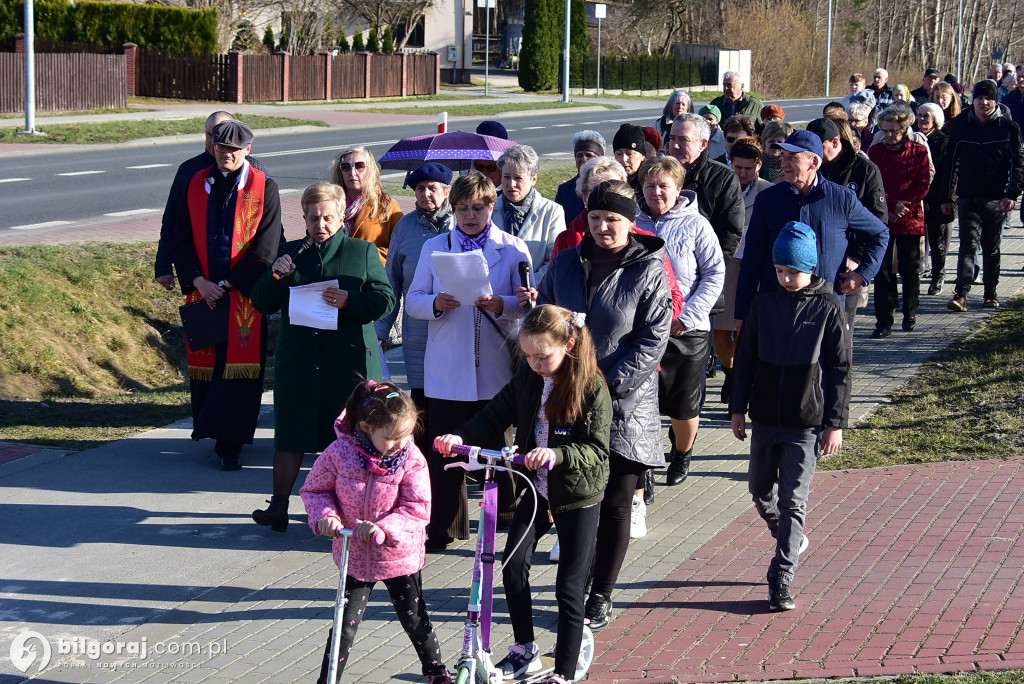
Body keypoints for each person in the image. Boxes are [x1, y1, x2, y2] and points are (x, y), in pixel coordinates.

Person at [434, 305, 611, 684]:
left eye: (542, 356)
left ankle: (563, 670)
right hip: (538, 489)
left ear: (569, 344)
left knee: (569, 586)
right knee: (513, 566)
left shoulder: (592, 386)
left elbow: (598, 449)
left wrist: (557, 454)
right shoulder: (529, 379)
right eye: (528, 355)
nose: (534, 363)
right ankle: (525, 648)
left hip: (578, 494)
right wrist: (460, 436)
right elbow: (495, 415)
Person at [531, 179, 672, 631]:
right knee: (576, 496)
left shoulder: (648, 267)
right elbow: (548, 319)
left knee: (614, 502)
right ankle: (577, 581)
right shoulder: (567, 262)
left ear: (631, 223)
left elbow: (652, 340)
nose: (603, 227)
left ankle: (602, 593)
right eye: (595, 218)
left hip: (626, 402)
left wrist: (605, 387)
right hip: (569, 399)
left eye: (612, 219)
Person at [250, 181, 395, 530]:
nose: (321, 225)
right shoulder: (289, 253)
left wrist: (349, 301)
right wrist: (275, 276)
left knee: (351, 439)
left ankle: (351, 510)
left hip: (346, 364)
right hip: (299, 359)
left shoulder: (361, 252)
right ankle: (279, 506)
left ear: (341, 215)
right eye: (313, 218)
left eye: (328, 218)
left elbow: (385, 300)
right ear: (304, 217)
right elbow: (260, 302)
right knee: (290, 433)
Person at [406, 171, 532, 550]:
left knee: (498, 443)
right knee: (444, 449)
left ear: (491, 206)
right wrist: (435, 304)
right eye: (462, 209)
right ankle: (445, 525)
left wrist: (504, 303)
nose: (469, 216)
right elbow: (412, 301)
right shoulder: (435, 247)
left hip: (494, 364)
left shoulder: (512, 248)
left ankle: (509, 514)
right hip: (447, 366)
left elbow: (528, 307)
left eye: (477, 208)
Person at [729, 221, 851, 612]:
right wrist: (736, 407)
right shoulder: (763, 303)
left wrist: (835, 423)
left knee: (793, 500)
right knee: (759, 491)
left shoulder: (828, 307)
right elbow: (744, 359)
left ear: (811, 269)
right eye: (780, 270)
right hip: (764, 418)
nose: (785, 277)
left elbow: (839, 370)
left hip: (806, 424)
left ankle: (781, 574)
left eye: (793, 271)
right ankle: (789, 536)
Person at [300, 381, 451, 684]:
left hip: (398, 556)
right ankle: (328, 679)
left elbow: (417, 508)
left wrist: (384, 528)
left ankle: (436, 671)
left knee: (414, 617)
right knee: (343, 625)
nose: (401, 442)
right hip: (354, 556)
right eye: (392, 437)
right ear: (367, 426)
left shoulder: (411, 458)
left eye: (406, 434)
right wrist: (325, 516)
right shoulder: (339, 453)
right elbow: (315, 489)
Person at [172, 119, 282, 470]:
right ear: (213, 148)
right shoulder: (195, 184)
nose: (227, 154)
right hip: (203, 292)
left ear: (248, 149)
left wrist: (229, 283)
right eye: (221, 148)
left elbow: (266, 247)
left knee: (237, 373)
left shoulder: (265, 187)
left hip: (243, 297)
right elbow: (181, 239)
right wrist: (198, 280)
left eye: (235, 149)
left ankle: (231, 444)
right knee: (210, 365)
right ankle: (212, 432)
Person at [735, 130, 890, 334]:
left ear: (814, 163)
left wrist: (862, 274)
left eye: (793, 158)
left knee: (828, 364)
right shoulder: (768, 200)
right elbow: (752, 260)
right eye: (784, 157)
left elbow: (880, 234)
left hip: (826, 308)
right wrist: (742, 313)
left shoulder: (842, 199)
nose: (784, 163)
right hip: (777, 307)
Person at [635, 156, 724, 487]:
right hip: (644, 328)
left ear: (678, 188)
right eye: (649, 186)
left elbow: (714, 273)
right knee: (642, 403)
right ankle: (643, 467)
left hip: (686, 329)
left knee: (682, 405)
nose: (656, 192)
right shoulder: (633, 220)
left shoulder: (696, 224)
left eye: (664, 186)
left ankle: (682, 452)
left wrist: (688, 316)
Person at [374, 163, 455, 460]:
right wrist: (379, 334)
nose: (425, 194)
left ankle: (458, 463)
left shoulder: (461, 222)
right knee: (421, 406)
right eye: (420, 189)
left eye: (433, 188)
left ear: (446, 191)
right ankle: (420, 465)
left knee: (453, 401)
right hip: (418, 333)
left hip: (455, 330)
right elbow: (391, 283)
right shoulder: (405, 227)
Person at [155, 111, 267, 291]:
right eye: (210, 134)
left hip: (244, 280)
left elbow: (269, 230)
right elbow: (173, 221)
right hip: (201, 276)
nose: (215, 140)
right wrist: (163, 264)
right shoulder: (189, 171)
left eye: (224, 136)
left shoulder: (256, 172)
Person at [938, 79, 1024, 311]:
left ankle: (990, 292)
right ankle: (962, 293)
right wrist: (946, 197)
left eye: (989, 99)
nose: (984, 103)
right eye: (979, 98)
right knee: (968, 245)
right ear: (973, 100)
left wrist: (1012, 193)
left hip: (997, 199)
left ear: (995, 101)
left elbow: (1019, 164)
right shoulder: (961, 127)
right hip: (968, 197)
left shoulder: (1009, 129)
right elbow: (949, 164)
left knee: (991, 247)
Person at [806, 116, 888, 333]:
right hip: (813, 264)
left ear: (834, 142)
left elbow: (878, 222)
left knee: (840, 333)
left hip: (846, 265)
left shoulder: (865, 170)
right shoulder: (813, 168)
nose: (813, 153)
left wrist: (858, 260)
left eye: (818, 146)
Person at [716, 138, 773, 404]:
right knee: (718, 333)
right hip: (725, 269)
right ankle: (732, 372)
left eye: (748, 168)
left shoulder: (768, 193)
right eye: (737, 167)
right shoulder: (720, 187)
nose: (742, 173)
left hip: (752, 271)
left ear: (759, 166)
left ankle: (741, 381)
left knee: (744, 331)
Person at [867, 105, 931, 338]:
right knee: (882, 271)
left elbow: (923, 183)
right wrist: (891, 205)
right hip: (884, 214)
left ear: (904, 129)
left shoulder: (918, 151)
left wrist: (904, 205)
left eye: (893, 131)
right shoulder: (876, 152)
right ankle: (883, 320)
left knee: (909, 269)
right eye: (885, 130)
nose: (889, 135)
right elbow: (874, 184)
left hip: (910, 216)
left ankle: (910, 312)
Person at [491, 144, 567, 277]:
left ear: (534, 179)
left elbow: (555, 260)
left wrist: (529, 287)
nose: (511, 184)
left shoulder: (552, 212)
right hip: (495, 293)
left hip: (534, 292)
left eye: (518, 178)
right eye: (506, 177)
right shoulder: (489, 208)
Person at [330, 145, 403, 264]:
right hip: (336, 274)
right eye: (346, 167)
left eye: (359, 166)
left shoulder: (387, 205)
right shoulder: (331, 203)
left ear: (370, 169)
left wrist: (364, 254)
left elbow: (401, 249)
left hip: (370, 275)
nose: (352, 172)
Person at [916, 103, 954, 295]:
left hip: (936, 197)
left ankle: (938, 276)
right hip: (916, 198)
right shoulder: (914, 138)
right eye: (920, 115)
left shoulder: (943, 141)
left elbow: (944, 173)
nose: (922, 119)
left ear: (936, 119)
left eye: (927, 116)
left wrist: (936, 198)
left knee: (937, 240)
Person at [554, 130, 606, 225]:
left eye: (589, 155)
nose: (583, 159)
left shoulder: (608, 186)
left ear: (600, 159)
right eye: (579, 155)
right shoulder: (564, 190)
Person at [611, 123, 649, 191]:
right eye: (619, 154)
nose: (623, 159)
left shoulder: (649, 182)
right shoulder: (610, 182)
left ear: (643, 156)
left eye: (629, 154)